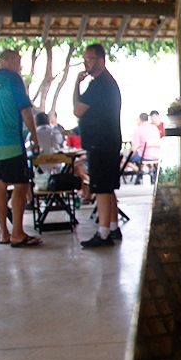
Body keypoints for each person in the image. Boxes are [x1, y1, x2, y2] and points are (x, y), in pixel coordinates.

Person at [0, 49, 41, 247]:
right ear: (11, 61)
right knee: (20, 185)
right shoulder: (13, 80)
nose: (20, 67)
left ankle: (3, 232)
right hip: (10, 141)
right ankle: (18, 233)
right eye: (19, 62)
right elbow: (25, 110)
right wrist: (34, 136)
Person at [74, 43, 122, 248]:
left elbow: (77, 110)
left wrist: (76, 85)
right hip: (108, 141)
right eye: (84, 59)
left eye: (89, 59)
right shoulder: (107, 82)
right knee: (108, 187)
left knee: (101, 188)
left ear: (100, 60)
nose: (86, 63)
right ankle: (113, 226)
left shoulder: (98, 85)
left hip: (100, 142)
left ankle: (103, 233)